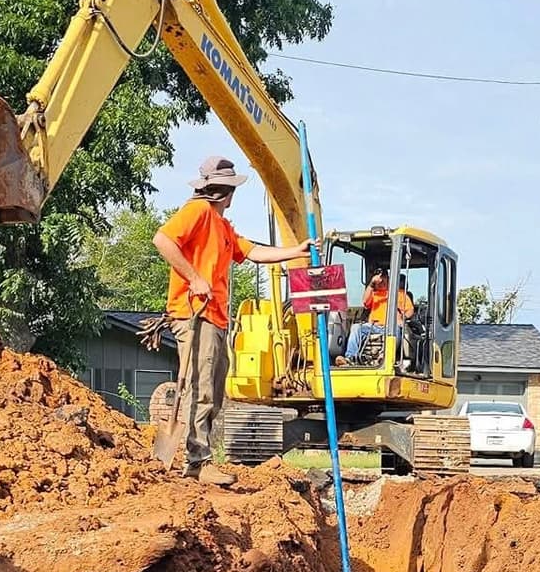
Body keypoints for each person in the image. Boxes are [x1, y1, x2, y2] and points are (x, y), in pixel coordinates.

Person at [152, 155, 308, 481]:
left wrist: (295, 251)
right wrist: (194, 277)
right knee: (202, 386)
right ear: (227, 192)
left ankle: (198, 460)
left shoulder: (223, 227)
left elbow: (253, 252)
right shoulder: (197, 212)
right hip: (195, 313)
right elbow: (162, 240)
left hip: (216, 317)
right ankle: (198, 461)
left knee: (215, 390)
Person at [341, 270, 414, 365]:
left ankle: (384, 356)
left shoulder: (399, 293)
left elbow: (410, 310)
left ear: (388, 279)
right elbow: (365, 302)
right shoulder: (374, 294)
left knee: (396, 329)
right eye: (378, 282)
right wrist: (371, 285)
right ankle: (350, 357)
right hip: (373, 326)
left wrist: (403, 318)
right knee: (356, 327)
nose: (380, 283)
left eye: (383, 280)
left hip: (391, 327)